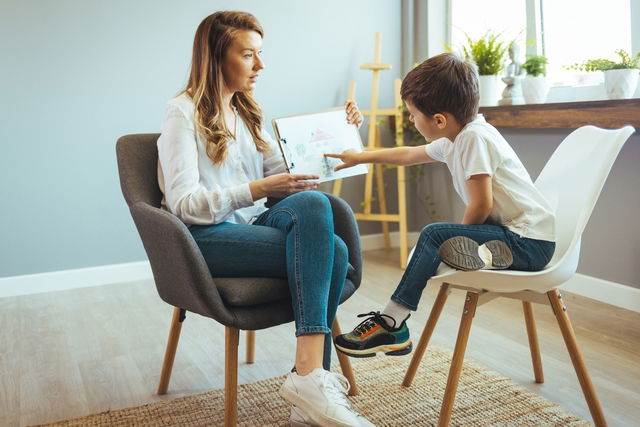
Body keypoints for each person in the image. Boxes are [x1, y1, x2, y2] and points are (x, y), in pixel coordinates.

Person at [156, 11, 373, 427]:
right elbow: (184, 204)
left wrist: (342, 134)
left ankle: (307, 384)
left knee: (315, 207)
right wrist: (256, 190)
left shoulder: (247, 112)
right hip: (203, 240)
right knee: (334, 255)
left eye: (260, 54)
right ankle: (309, 386)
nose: (261, 65)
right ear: (217, 58)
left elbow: (294, 173)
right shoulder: (180, 113)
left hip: (251, 230)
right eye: (249, 55)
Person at [326, 53, 556, 358]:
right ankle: (478, 256)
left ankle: (392, 323)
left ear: (439, 120)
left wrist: (456, 239)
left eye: (412, 113)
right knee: (438, 240)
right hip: (514, 234)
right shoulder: (457, 137)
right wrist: (360, 156)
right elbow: (408, 155)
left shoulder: (473, 139)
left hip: (529, 242)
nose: (410, 119)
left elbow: (481, 202)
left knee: (435, 235)